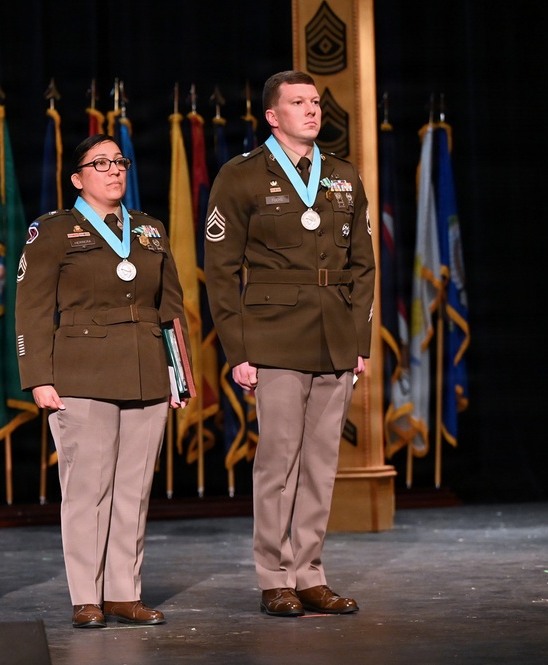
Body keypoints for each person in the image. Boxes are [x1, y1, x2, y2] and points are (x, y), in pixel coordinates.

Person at [204, 70, 375, 617]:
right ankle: (274, 576)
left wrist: (361, 341)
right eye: (298, 102)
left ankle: (310, 573)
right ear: (272, 116)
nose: (312, 110)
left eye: (316, 101)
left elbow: (364, 268)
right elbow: (221, 269)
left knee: (322, 463)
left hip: (334, 336)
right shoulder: (242, 176)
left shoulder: (343, 177)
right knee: (278, 461)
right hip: (273, 335)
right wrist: (238, 349)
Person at [15, 134, 189, 629]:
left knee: (134, 490)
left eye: (120, 162)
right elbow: (29, 313)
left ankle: (123, 593)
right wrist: (39, 380)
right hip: (82, 375)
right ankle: (86, 596)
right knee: (87, 490)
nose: (114, 171)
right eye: (101, 163)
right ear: (77, 178)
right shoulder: (52, 231)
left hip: (147, 374)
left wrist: (178, 373)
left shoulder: (150, 230)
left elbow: (170, 309)